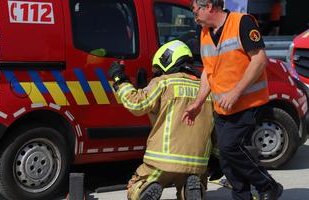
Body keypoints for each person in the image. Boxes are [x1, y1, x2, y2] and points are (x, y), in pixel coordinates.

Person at [182, 1, 283, 200]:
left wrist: (236, 92)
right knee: (227, 159)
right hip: (223, 108)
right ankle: (242, 197)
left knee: (230, 147)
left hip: (248, 103)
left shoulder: (242, 23)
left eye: (196, 11)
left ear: (209, 6)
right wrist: (198, 102)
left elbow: (259, 59)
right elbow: (208, 73)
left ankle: (268, 185)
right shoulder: (204, 33)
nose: (194, 16)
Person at [107, 40, 214, 200]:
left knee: (135, 186)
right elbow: (218, 125)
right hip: (198, 160)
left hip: (162, 159)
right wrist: (218, 157)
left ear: (167, 60)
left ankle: (145, 187)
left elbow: (136, 105)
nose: (158, 74)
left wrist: (120, 80)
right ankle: (191, 188)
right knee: (193, 180)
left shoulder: (164, 82)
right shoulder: (207, 88)